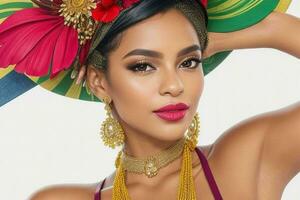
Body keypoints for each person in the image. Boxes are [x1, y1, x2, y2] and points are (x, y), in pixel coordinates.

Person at [0, 0, 299, 199]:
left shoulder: (245, 161)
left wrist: (226, 38)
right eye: (143, 66)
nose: (174, 85)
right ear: (99, 82)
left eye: (188, 62)